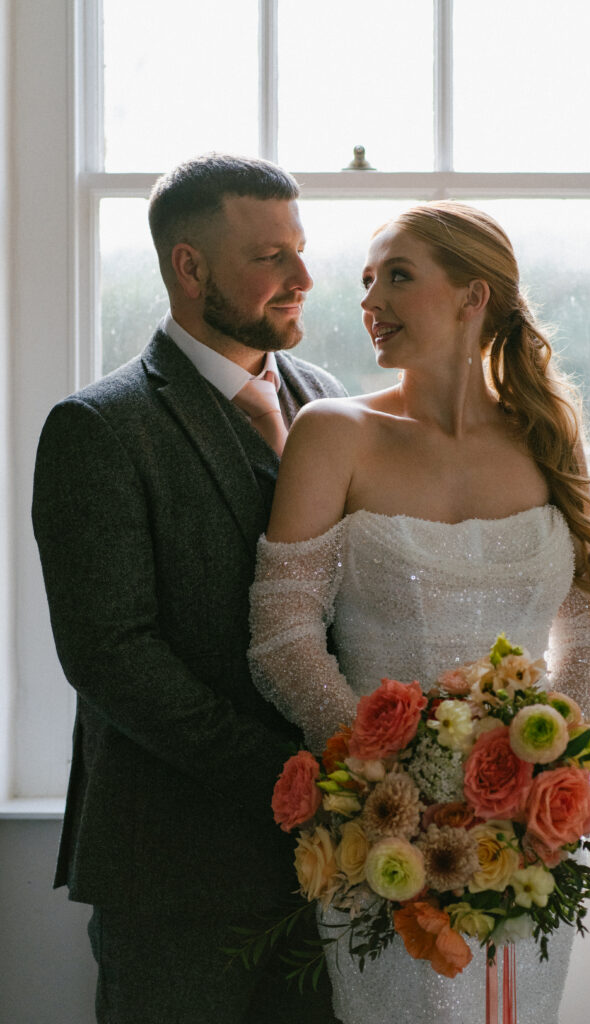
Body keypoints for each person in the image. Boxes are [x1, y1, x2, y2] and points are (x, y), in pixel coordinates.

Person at [248, 200, 590, 1024]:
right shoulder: (333, 433)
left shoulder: (544, 434)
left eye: (397, 275)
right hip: (379, 842)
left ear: (472, 295)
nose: (369, 298)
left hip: (523, 844)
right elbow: (282, 636)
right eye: (366, 280)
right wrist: (387, 787)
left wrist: (550, 769)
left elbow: (584, 625)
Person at [31, 153, 345, 1024]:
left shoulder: (326, 403)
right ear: (190, 265)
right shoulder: (98, 428)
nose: (302, 279)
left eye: (300, 250)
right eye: (269, 257)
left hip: (335, 868)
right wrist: (291, 777)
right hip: (173, 869)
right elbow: (111, 654)